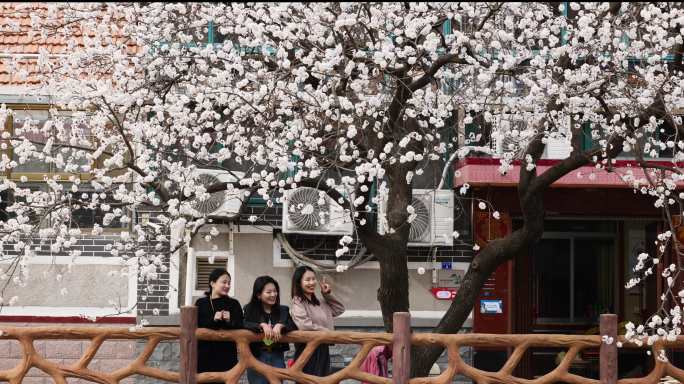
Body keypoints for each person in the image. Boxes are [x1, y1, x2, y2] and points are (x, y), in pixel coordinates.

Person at [290, 265, 345, 377]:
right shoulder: (298, 302)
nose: (312, 282)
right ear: (299, 282)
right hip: (307, 350)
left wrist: (327, 294)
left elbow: (339, 309)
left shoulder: (320, 302)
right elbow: (305, 326)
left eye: (313, 279)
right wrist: (327, 332)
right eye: (307, 280)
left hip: (323, 349)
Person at [243, 275, 297, 384]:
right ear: (258, 295)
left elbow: (293, 325)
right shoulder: (249, 309)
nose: (273, 294)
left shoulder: (283, 310)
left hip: (277, 355)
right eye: (268, 292)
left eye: (275, 291)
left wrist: (281, 325)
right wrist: (261, 325)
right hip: (257, 356)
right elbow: (243, 323)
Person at [195, 268, 244, 382]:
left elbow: (241, 325)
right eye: (224, 282)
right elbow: (197, 325)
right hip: (204, 355)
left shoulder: (234, 303)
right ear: (212, 283)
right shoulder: (201, 303)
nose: (227, 285)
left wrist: (229, 320)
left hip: (227, 355)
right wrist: (214, 319)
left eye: (229, 283)